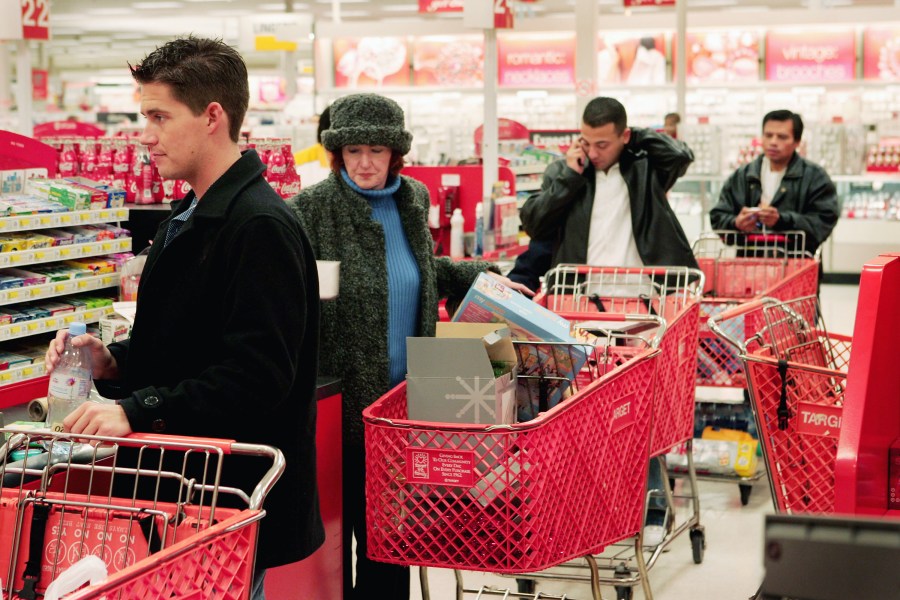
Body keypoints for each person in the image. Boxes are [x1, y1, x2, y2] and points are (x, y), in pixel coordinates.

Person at [44, 36, 323, 600]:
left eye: (158, 115)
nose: (143, 132)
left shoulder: (258, 227)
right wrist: (114, 362)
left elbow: (258, 376)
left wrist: (135, 410)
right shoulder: (190, 214)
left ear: (212, 117)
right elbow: (186, 347)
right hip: (182, 493)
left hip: (226, 505)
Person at [289, 92, 532, 600]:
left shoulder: (413, 198)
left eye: (376, 150)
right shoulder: (311, 210)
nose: (365, 162)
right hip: (346, 407)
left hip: (409, 404)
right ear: (338, 153)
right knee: (345, 540)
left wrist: (484, 278)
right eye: (353, 151)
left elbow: (421, 272)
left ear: (395, 153)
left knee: (394, 544)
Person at [519, 96, 697, 547]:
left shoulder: (645, 167)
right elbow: (535, 222)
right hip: (578, 303)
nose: (594, 151)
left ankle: (652, 506)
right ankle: (578, 504)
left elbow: (680, 154)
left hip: (639, 306)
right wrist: (567, 172)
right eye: (587, 141)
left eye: (603, 143)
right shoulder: (570, 173)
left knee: (642, 409)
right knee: (576, 410)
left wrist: (637, 140)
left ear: (624, 136)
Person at [709, 109, 838, 256]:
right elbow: (718, 216)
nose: (773, 142)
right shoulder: (743, 176)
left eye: (782, 137)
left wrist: (782, 220)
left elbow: (823, 222)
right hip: (750, 266)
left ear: (797, 142)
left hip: (797, 266)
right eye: (768, 135)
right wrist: (736, 223)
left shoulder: (815, 177)